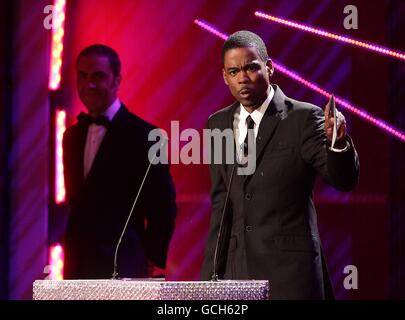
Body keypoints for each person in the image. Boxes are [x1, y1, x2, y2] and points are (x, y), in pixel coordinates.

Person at [201, 31, 359, 299]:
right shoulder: (217, 124)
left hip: (290, 276)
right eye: (234, 71)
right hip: (235, 275)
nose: (243, 77)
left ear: (269, 67)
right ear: (224, 76)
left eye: (251, 67)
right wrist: (207, 282)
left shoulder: (303, 117)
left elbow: (343, 180)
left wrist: (338, 143)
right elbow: (221, 205)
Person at [63, 44, 177, 279]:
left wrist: (151, 259)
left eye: (98, 76)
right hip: (77, 267)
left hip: (124, 265)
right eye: (82, 76)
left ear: (116, 80)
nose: (89, 85)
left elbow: (163, 207)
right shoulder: (71, 136)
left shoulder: (146, 136)